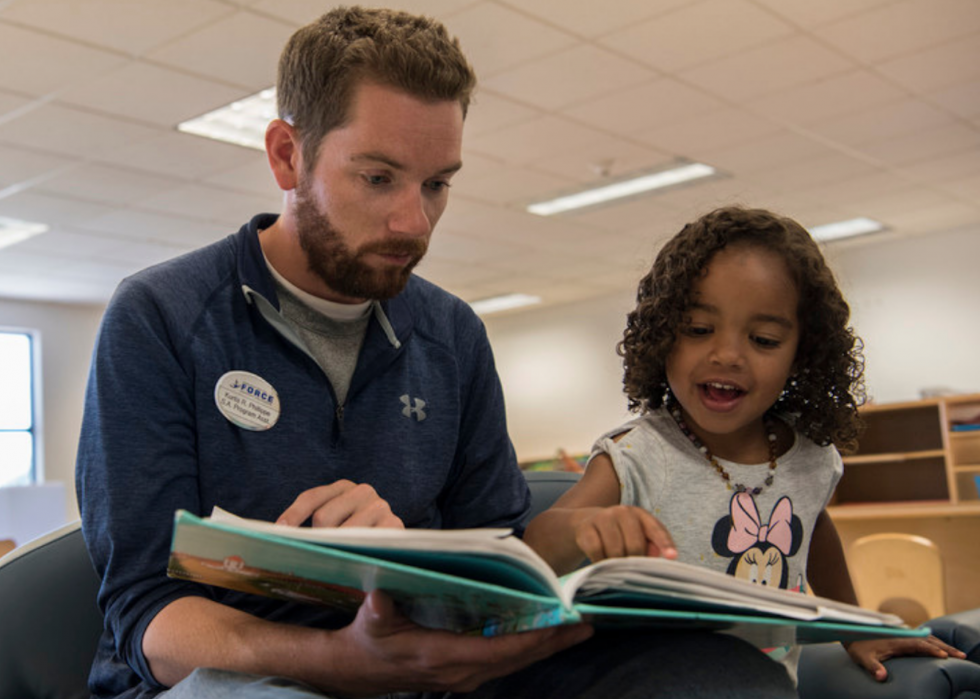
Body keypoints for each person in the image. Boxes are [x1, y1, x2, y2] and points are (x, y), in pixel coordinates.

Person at [76, 8, 799, 699]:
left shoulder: (452, 334)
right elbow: (148, 617)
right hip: (250, 672)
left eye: (438, 184)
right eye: (378, 177)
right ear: (287, 155)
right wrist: (343, 661)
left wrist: (571, 548)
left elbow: (502, 549)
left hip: (429, 670)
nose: (413, 221)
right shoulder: (160, 317)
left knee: (722, 673)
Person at [523, 206, 966, 684]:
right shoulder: (637, 454)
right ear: (662, 335)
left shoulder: (810, 457)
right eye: (697, 329)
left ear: (803, 353)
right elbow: (539, 543)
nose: (727, 354)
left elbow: (812, 529)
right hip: (655, 683)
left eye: (763, 339)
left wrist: (854, 626)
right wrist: (586, 526)